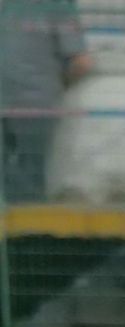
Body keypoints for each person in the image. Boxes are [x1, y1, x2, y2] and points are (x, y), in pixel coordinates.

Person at [0, 0, 93, 203]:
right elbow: (82, 63)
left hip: (23, 100)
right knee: (31, 175)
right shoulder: (58, 7)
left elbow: (82, 63)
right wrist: (58, 86)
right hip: (38, 102)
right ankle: (27, 229)